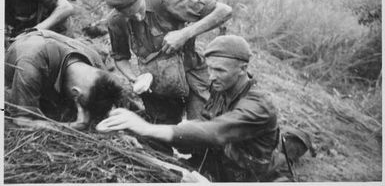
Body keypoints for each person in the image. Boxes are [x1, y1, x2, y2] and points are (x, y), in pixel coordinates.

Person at [96, 35, 282, 181]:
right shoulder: (222, 86)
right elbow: (206, 122)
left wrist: (147, 128)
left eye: (219, 70)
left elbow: (216, 131)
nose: (211, 77)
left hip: (248, 177)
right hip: (218, 162)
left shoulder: (259, 105)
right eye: (209, 69)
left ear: (243, 69)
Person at [104, 0, 232, 125]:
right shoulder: (115, 21)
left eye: (139, 10)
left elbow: (224, 11)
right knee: (159, 133)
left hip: (191, 71)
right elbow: (120, 57)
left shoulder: (165, 0)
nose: (138, 18)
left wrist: (184, 34)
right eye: (130, 16)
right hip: (156, 80)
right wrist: (134, 78)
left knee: (201, 130)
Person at [5, 29, 123, 130]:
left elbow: (108, 98)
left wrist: (120, 131)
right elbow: (22, 121)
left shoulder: (94, 60)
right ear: (76, 94)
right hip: (27, 48)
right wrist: (72, 126)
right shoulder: (30, 65)